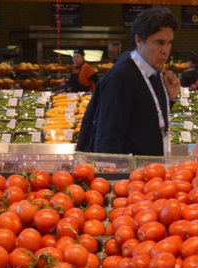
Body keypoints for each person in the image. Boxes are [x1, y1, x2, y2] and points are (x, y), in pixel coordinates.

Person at [77, 6, 180, 156]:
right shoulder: (121, 77)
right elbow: (107, 138)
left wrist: (170, 99)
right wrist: (111, 170)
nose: (166, 50)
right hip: (130, 170)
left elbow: (146, 120)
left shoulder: (155, 72)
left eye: (169, 43)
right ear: (139, 40)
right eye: (159, 42)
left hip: (151, 168)